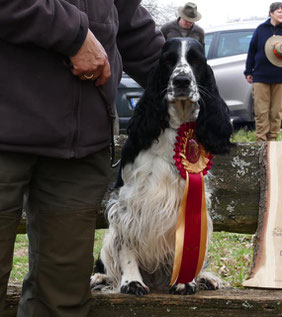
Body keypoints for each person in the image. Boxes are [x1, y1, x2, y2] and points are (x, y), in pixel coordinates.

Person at [0, 1, 164, 316]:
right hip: (6, 130)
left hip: (80, 148)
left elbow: (128, 23)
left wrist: (192, 84)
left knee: (63, 300)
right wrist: (72, 34)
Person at [244, 2, 282, 142]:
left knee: (276, 112)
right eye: (279, 12)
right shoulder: (261, 29)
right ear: (271, 13)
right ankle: (260, 142)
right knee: (261, 112)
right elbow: (252, 51)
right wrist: (248, 71)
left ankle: (272, 142)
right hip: (261, 76)